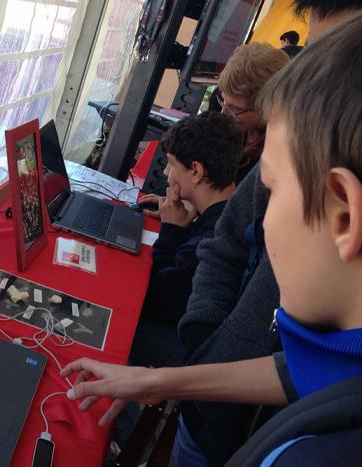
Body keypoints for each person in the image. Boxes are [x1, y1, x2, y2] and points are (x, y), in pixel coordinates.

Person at [61, 3, 362, 466]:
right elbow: (301, 371)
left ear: (344, 217)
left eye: (272, 188)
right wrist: (155, 381)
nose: (260, 221)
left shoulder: (328, 453)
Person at [174, 0, 362, 464]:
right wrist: (205, 338)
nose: (267, 223)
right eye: (312, 57)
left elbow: (309, 367)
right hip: (211, 418)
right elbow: (224, 244)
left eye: (276, 188)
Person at [111, 112, 242, 450]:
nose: (167, 174)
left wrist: (170, 230)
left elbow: (161, 296)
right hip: (203, 334)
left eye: (171, 165)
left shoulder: (216, 234)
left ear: (196, 171)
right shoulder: (226, 209)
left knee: (120, 331)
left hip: (194, 350)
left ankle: (116, 436)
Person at [214, 43, 289, 183]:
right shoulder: (233, 128)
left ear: (269, 108)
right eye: (222, 101)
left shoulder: (285, 158)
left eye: (234, 109)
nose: (223, 113)